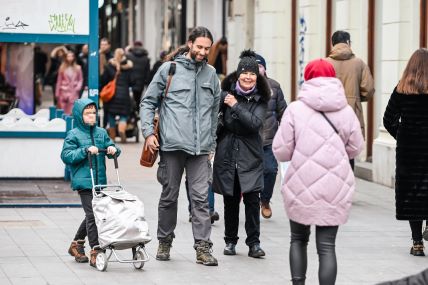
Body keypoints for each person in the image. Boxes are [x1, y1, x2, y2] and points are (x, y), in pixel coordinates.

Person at [272, 59, 364, 285]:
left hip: (300, 186)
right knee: (327, 246)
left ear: (307, 78)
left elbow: (281, 151)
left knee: (298, 240)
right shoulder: (346, 111)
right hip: (334, 187)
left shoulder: (295, 109)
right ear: (333, 78)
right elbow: (356, 148)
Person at [140, 26, 220, 266]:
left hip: (200, 150)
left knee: (200, 200)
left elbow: (215, 113)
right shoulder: (169, 70)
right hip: (172, 147)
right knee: (169, 196)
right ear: (190, 43)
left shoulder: (212, 74)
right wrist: (147, 133)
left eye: (207, 49)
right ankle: (164, 241)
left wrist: (212, 143)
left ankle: (203, 248)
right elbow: (148, 102)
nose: (203, 52)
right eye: (199, 47)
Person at [212, 50, 269, 258]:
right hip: (228, 154)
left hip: (250, 156)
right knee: (231, 200)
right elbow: (217, 122)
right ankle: (230, 241)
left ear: (257, 76)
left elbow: (254, 124)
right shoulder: (224, 95)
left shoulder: (261, 99)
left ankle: (254, 243)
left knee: (253, 201)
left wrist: (235, 106)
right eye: (244, 73)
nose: (247, 77)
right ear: (238, 75)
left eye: (252, 74)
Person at [61, 98, 120, 267]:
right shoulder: (73, 135)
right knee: (93, 215)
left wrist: (113, 150)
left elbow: (112, 147)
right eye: (87, 113)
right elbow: (66, 156)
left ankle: (76, 244)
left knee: (94, 214)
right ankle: (96, 249)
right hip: (84, 182)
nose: (91, 116)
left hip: (99, 182)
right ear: (80, 116)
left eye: (93, 113)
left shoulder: (101, 132)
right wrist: (84, 150)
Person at [383, 48, 428, 257]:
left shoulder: (401, 89)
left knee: (412, 196)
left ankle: (417, 242)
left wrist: (402, 136)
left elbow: (388, 119)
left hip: (409, 153)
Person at [326, 30, 374, 169]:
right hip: (352, 112)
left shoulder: (325, 63)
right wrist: (356, 97)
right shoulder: (359, 63)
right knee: (349, 153)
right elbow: (368, 89)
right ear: (348, 43)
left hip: (329, 114)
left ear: (332, 43)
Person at [255, 53, 287, 219]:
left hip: (269, 139)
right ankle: (251, 202)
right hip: (249, 141)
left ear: (264, 68)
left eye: (259, 66)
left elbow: (283, 112)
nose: (256, 69)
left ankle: (265, 200)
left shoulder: (274, 86)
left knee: (270, 170)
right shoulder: (241, 87)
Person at [102, 48, 134, 143]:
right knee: (124, 115)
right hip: (124, 94)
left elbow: (104, 79)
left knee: (111, 114)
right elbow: (132, 81)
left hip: (112, 95)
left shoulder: (109, 66)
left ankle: (112, 136)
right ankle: (121, 130)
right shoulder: (128, 67)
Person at [126, 41, 150, 111]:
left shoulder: (129, 56)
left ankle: (132, 113)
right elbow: (147, 72)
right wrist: (146, 82)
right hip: (141, 82)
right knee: (138, 98)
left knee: (131, 98)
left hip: (131, 82)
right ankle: (137, 112)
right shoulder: (146, 58)